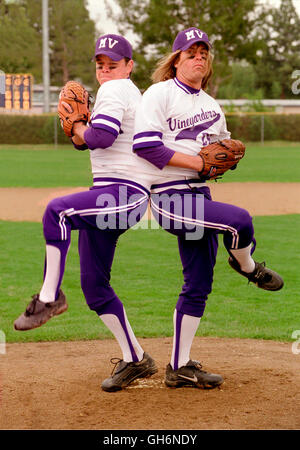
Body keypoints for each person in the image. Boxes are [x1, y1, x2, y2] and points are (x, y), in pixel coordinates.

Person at [133, 27, 284, 389]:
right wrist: (200, 164)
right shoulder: (160, 93)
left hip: (199, 197)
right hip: (170, 197)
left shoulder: (212, 105)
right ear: (176, 60)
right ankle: (246, 265)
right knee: (239, 221)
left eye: (203, 52)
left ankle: (180, 366)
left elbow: (215, 160)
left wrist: (223, 162)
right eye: (190, 52)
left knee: (198, 284)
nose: (198, 56)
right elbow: (145, 146)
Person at [14, 34, 158, 392]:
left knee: (57, 212)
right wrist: (83, 131)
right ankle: (136, 359)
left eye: (113, 64)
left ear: (129, 66)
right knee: (96, 288)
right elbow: (97, 139)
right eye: (100, 65)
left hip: (123, 193)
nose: (105, 71)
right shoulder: (129, 93)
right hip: (110, 195)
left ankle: (49, 298)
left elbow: (101, 137)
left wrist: (78, 126)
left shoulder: (116, 89)